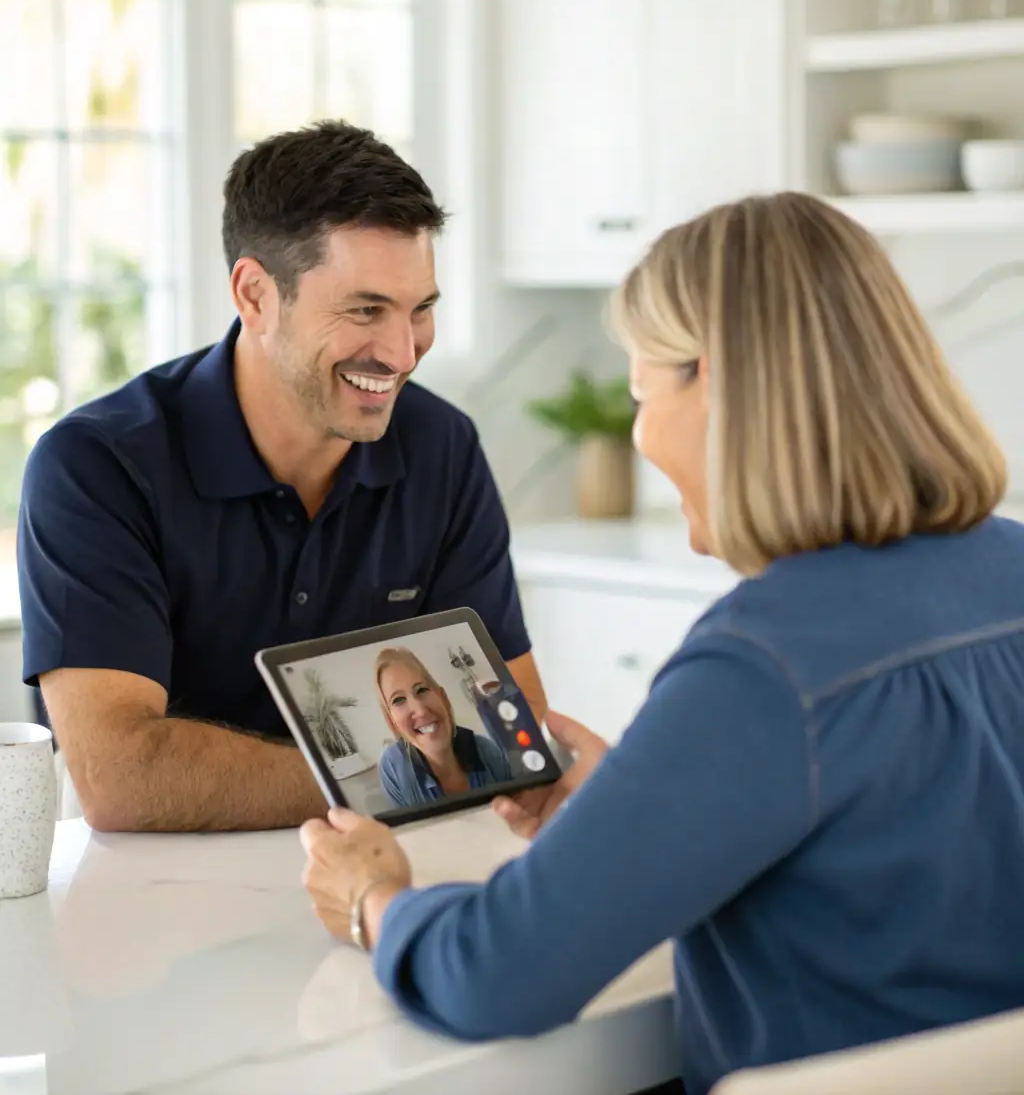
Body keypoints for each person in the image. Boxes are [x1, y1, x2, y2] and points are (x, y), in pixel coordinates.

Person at [301, 192, 1024, 1095]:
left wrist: (376, 897)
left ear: (714, 383)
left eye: (642, 394)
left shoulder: (764, 666)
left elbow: (495, 973)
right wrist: (635, 799)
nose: (640, 437)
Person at [18, 120, 546, 834]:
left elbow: (516, 734)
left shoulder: (442, 447)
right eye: (365, 310)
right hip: (159, 909)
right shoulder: (96, 468)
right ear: (256, 295)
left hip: (382, 883)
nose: (402, 351)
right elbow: (120, 774)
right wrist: (401, 774)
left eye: (421, 309)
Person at [373, 647, 511, 808]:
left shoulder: (489, 753)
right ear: (391, 722)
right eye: (398, 700)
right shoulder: (393, 767)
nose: (421, 711)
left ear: (443, 698)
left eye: (422, 690)